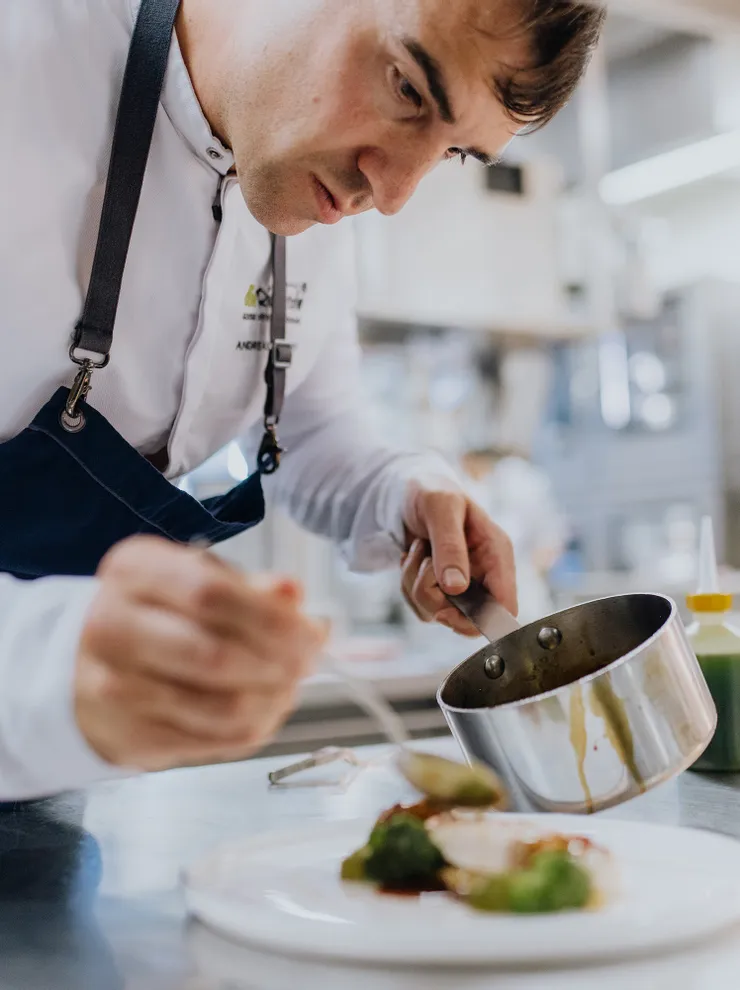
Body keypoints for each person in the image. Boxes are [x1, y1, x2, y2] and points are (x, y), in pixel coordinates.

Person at [0, 0, 605, 799]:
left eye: (454, 152)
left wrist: (402, 491)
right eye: (406, 87)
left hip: (57, 780)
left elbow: (316, 431)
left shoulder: (314, 196)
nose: (392, 192)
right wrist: (53, 666)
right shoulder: (23, 68)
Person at [460, 448, 568, 623]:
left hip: (522, 590)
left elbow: (549, 540)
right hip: (483, 599)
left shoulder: (518, 480)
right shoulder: (471, 487)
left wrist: (530, 571)